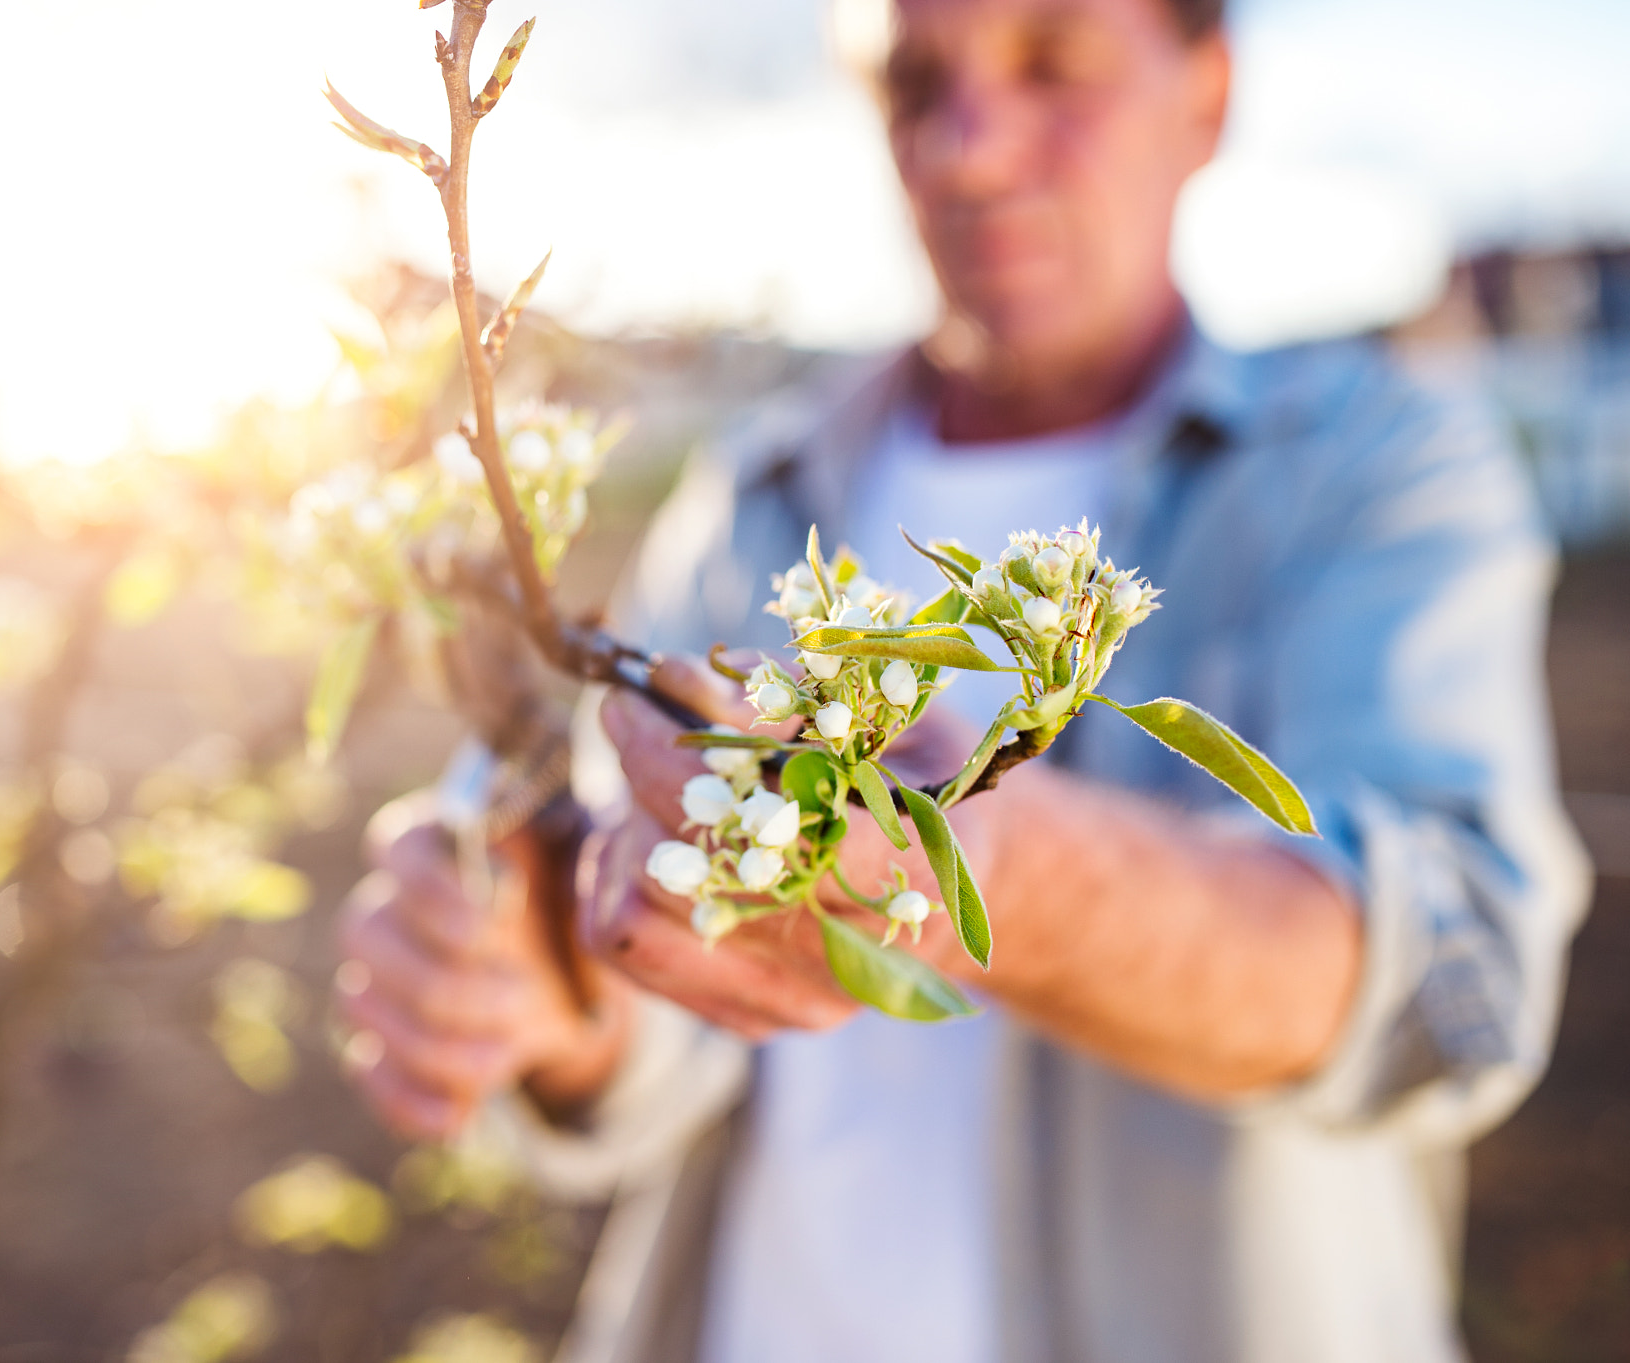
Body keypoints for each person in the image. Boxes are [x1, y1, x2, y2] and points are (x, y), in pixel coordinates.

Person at [335, 0, 1594, 1358]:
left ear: (1207, 95)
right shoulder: (758, 491)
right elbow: (667, 995)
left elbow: (1452, 991)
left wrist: (974, 868)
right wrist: (548, 992)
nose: (968, 151)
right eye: (915, 82)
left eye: (1054, 63)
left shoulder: (1375, 463)